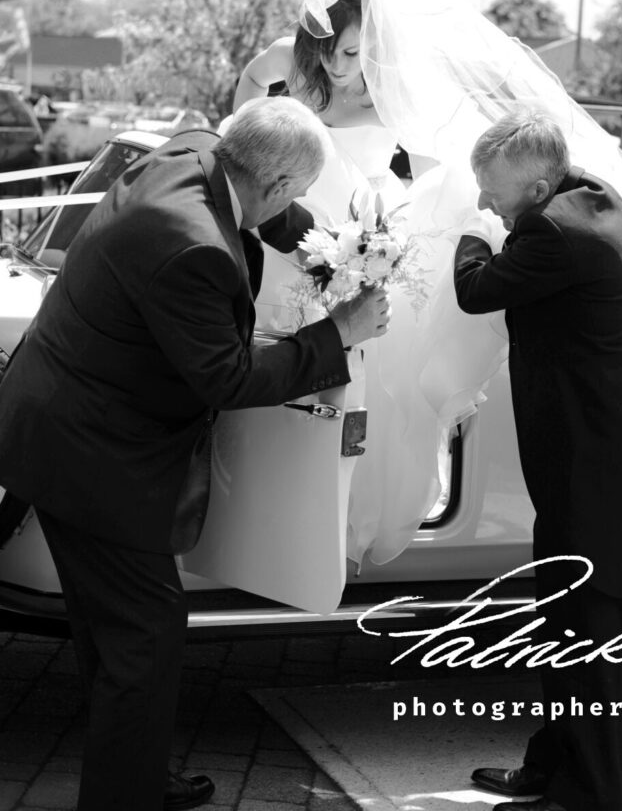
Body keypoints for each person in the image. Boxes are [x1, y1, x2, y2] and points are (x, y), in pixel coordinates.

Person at [0, 96, 390, 811]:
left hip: (55, 420)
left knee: (113, 631)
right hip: (96, 456)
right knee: (145, 635)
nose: (291, 206)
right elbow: (227, 376)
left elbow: (258, 205)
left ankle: (135, 769)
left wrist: (324, 234)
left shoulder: (190, 150)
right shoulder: (197, 249)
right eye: (292, 195)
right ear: (271, 184)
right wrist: (336, 332)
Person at [227, 0, 622, 569]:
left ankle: (337, 532)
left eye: (354, 52)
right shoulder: (292, 69)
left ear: (379, 43)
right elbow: (243, 135)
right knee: (276, 382)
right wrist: (260, 73)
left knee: (360, 393)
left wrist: (396, 237)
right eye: (327, 49)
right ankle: (262, 527)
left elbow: (442, 175)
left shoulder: (400, 85)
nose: (338, 65)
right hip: (289, 241)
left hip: (357, 243)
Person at [453, 106, 622, 811]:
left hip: (590, 473)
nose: (485, 199)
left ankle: (587, 796)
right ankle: (550, 769)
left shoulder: (551, 229)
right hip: (614, 463)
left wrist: (465, 234)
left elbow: (475, 289)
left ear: (539, 182)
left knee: (585, 648)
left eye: (492, 189)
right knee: (567, 631)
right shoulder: (599, 199)